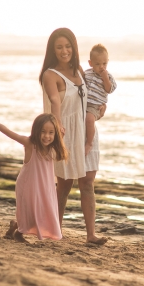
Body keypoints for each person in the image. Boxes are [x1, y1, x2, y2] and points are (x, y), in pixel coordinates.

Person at [40, 28, 107, 245]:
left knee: (87, 183)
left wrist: (100, 108)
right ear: (53, 49)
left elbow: (94, 93)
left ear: (74, 48)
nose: (64, 51)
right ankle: (55, 230)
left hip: (86, 133)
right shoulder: (50, 74)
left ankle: (90, 235)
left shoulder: (79, 70)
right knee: (65, 186)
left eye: (68, 46)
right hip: (66, 133)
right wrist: (57, 123)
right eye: (59, 47)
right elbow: (54, 100)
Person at [0, 113, 68, 242]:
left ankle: (14, 226)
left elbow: (59, 137)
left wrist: (61, 133)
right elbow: (9, 133)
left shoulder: (52, 147)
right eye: (43, 132)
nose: (47, 136)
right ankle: (18, 233)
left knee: (39, 212)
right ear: (36, 131)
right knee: (29, 212)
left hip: (45, 186)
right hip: (28, 185)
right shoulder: (30, 144)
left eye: (51, 133)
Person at [84, 44, 117, 155]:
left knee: (89, 119)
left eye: (104, 64)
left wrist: (105, 78)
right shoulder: (86, 73)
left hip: (95, 106)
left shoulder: (108, 77)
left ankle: (89, 143)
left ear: (107, 61)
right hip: (83, 103)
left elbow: (109, 89)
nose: (101, 67)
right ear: (90, 63)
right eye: (97, 64)